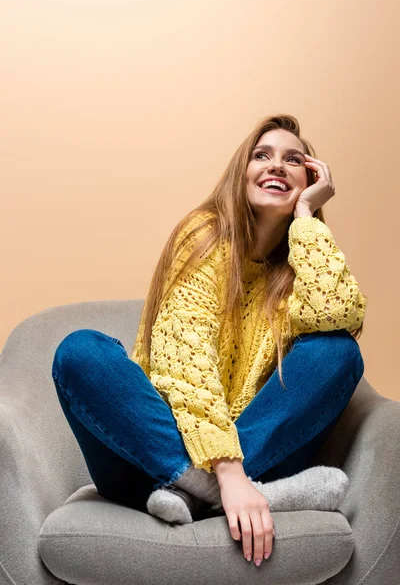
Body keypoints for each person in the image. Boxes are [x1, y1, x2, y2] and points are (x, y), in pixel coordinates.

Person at [51, 113, 366, 569]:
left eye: (293, 160)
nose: (276, 166)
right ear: (241, 175)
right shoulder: (203, 234)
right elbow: (185, 353)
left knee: (337, 351)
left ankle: (196, 494)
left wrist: (306, 219)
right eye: (262, 156)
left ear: (310, 180)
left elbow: (340, 315)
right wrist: (227, 473)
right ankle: (220, 490)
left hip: (254, 453)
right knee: (80, 352)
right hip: (149, 462)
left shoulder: (301, 264)